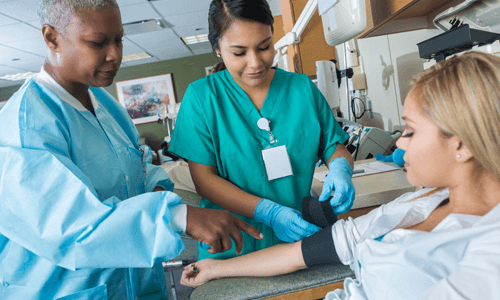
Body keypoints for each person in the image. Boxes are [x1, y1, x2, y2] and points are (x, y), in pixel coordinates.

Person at [180, 51, 500, 300]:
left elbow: (333, 143)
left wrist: (339, 165)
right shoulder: (423, 201)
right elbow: (307, 251)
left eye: (411, 132)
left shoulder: (489, 246)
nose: (400, 144)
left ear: (461, 143)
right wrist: (215, 268)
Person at [0, 0, 263, 299]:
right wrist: (178, 217)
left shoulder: (106, 105)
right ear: (51, 38)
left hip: (137, 286)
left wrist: (174, 206)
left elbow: (138, 172)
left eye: (118, 39)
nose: (115, 55)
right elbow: (69, 228)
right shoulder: (26, 126)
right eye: (98, 42)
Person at [168, 0, 355, 261]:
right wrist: (269, 212)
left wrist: (340, 169)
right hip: (234, 246)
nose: (255, 62)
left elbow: (334, 146)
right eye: (239, 52)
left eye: (264, 47)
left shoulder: (301, 88)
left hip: (301, 241)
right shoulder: (202, 97)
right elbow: (204, 180)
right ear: (217, 49)